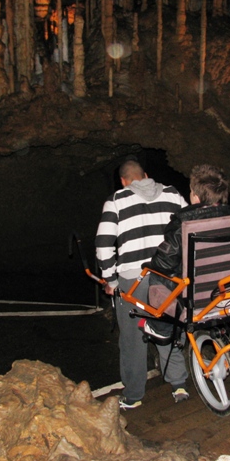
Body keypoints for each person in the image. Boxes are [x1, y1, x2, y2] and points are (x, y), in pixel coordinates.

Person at [95, 158, 189, 409]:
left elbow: (104, 244)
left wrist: (111, 281)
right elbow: (189, 229)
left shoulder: (116, 200)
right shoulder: (173, 194)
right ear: (146, 175)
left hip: (134, 280)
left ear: (124, 181)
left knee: (132, 338)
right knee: (167, 326)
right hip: (170, 277)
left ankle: (134, 395)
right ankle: (179, 383)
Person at [144, 163, 230, 336]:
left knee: (156, 275)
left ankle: (161, 329)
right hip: (228, 291)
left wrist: (152, 264)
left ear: (196, 196)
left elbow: (163, 263)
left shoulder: (184, 224)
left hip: (195, 297)